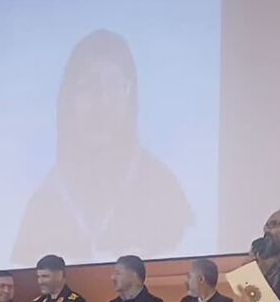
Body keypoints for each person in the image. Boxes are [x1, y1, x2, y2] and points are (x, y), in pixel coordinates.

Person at [12, 29, 192, 265]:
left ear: (130, 96)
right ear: (69, 99)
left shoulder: (162, 186)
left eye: (115, 85)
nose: (103, 99)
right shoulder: (45, 198)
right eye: (89, 85)